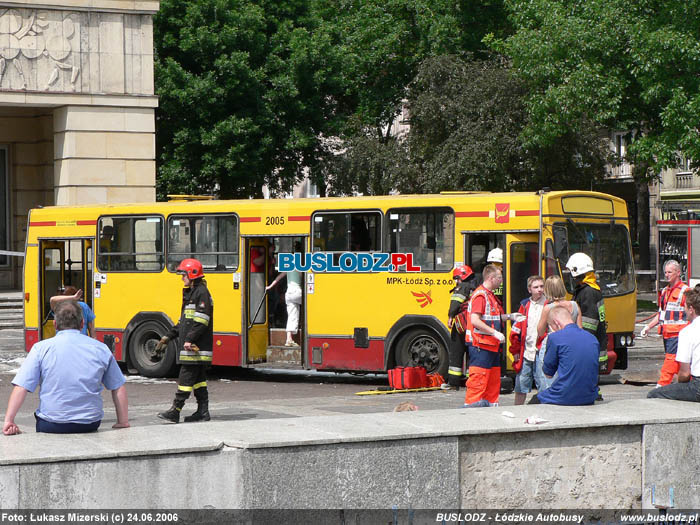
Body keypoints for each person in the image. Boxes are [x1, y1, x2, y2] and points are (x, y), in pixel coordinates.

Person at [3, 300, 129, 435]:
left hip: (51, 424)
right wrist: (123, 421)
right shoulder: (101, 348)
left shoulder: (40, 349)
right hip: (90, 423)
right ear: (82, 324)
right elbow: (118, 386)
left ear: (55, 324)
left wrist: (9, 420)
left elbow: (21, 387)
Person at [157, 258, 214, 423]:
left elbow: (202, 320)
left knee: (185, 378)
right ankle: (203, 411)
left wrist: (189, 340)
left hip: (195, 347)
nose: (182, 278)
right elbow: (184, 322)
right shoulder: (192, 293)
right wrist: (167, 337)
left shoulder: (201, 293)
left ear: (192, 274)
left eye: (183, 275)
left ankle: (175, 410)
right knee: (198, 381)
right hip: (194, 346)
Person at [463, 264, 521, 407]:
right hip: (480, 346)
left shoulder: (489, 295)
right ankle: (472, 411)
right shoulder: (481, 296)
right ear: (491, 278)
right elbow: (475, 320)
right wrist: (494, 332)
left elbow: (493, 317)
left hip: (490, 346)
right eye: (500, 278)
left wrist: (509, 317)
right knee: (478, 383)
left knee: (492, 382)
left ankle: (490, 409)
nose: (502, 281)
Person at [528, 306, 599, 406]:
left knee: (535, 400)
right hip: (589, 396)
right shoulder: (592, 338)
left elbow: (548, 374)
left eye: (551, 326)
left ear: (556, 323)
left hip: (564, 395)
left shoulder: (555, 337)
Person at [640, 259, 690, 387]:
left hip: (678, 333)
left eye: (670, 272)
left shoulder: (685, 291)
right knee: (678, 361)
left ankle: (662, 384)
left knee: (671, 359)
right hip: (667, 334)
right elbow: (661, 314)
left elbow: (693, 314)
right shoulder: (664, 292)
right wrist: (648, 326)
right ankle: (685, 384)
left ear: (678, 273)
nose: (667, 275)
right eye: (666, 272)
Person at [566, 252, 607, 399]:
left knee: (589, 375)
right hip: (593, 341)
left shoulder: (588, 292)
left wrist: (579, 339)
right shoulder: (589, 289)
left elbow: (590, 322)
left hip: (589, 341)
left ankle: (593, 395)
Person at [647, 289, 700, 401]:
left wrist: (679, 383)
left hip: (698, 387)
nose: (683, 310)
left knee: (654, 394)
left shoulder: (687, 332)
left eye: (685, 307)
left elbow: (685, 374)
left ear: (691, 309)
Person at [509, 275, 546, 405]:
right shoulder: (525, 305)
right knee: (521, 385)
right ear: (529, 289)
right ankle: (517, 410)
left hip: (542, 351)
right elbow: (516, 330)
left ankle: (544, 412)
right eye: (536, 287)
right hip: (526, 352)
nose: (540, 289)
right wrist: (515, 350)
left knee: (543, 385)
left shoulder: (548, 304)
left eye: (542, 286)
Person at [444, 265, 477, 390]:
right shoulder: (477, 286)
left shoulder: (462, 287)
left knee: (456, 352)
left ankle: (453, 382)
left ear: (461, 277)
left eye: (456, 279)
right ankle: (471, 381)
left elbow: (455, 304)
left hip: (460, 324)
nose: (456, 282)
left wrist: (451, 316)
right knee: (471, 353)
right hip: (473, 323)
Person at [267, 242, 303, 347]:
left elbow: (278, 278)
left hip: (289, 294)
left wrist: (269, 286)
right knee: (310, 307)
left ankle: (289, 339)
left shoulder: (288, 267)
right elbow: (303, 278)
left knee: (292, 315)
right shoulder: (301, 267)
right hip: (298, 292)